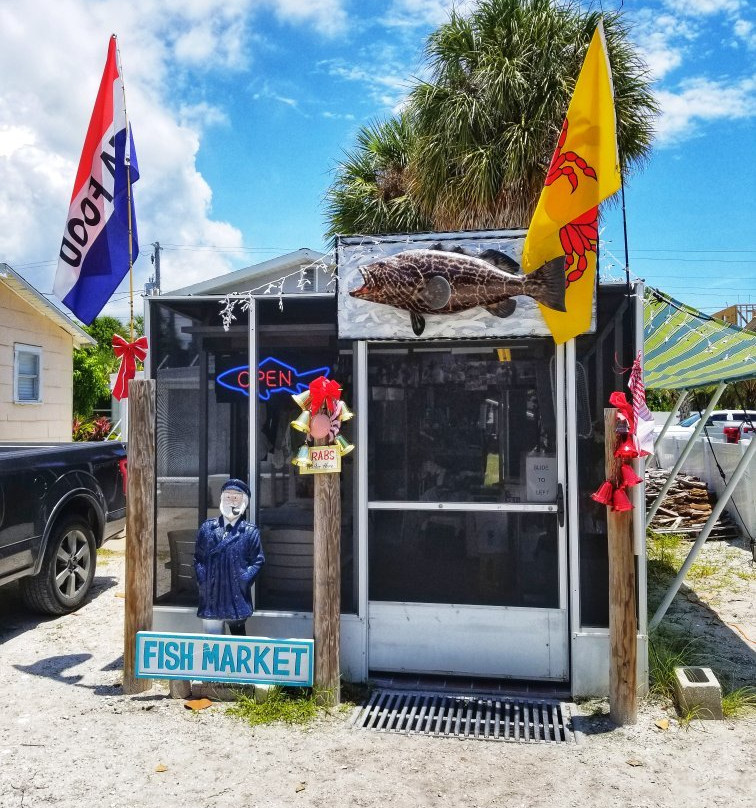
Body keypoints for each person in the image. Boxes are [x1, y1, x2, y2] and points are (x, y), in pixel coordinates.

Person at [193, 478, 265, 636]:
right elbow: (198, 557)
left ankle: (238, 661)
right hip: (211, 594)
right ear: (221, 500)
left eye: (236, 498)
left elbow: (258, 560)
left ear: (244, 502)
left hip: (235, 594)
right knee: (211, 640)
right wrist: (203, 578)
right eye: (227, 497)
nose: (231, 501)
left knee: (238, 639)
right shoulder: (207, 528)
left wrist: (244, 578)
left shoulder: (250, 532)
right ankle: (212, 660)